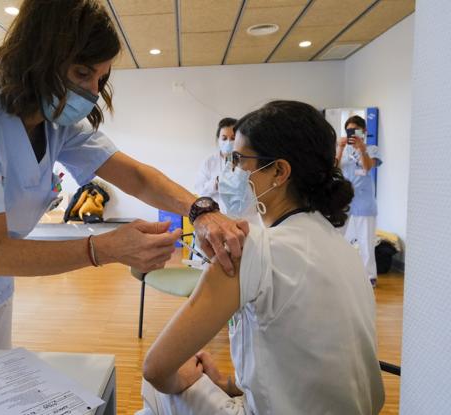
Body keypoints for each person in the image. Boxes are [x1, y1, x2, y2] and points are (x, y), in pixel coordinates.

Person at [0, 0, 246, 348]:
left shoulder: (57, 127)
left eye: (101, 78)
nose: (93, 92)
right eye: (82, 73)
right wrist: (106, 248)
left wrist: (201, 210)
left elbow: (137, 178)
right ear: (37, 58)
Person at [141, 101, 384, 415]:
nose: (233, 170)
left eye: (241, 160)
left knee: (157, 391)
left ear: (279, 172)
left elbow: (155, 368)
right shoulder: (341, 247)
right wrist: (226, 383)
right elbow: (298, 361)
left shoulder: (248, 249)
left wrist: (186, 379)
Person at [336, 115, 383, 286]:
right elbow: (334, 169)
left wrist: (362, 149)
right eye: (349, 131)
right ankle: (338, 271)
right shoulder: (344, 149)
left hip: (364, 201)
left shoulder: (372, 149)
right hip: (345, 199)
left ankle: (369, 277)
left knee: (366, 240)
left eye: (355, 130)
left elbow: (367, 167)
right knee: (336, 236)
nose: (352, 134)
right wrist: (340, 149)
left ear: (364, 131)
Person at [194, 117, 237, 203]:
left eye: (233, 138)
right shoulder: (208, 162)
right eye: (224, 138)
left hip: (240, 214)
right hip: (215, 212)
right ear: (218, 140)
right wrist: (216, 183)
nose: (228, 142)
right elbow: (200, 191)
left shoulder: (247, 161)